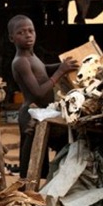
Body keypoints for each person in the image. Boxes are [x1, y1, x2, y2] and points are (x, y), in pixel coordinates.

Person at [9, 14, 79, 179]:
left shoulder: (31, 56)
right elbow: (38, 92)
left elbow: (44, 69)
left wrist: (62, 66)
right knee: (30, 162)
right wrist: (60, 72)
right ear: (11, 38)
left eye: (31, 30)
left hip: (42, 113)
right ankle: (27, 195)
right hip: (30, 115)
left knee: (40, 158)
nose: (28, 35)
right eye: (21, 32)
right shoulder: (20, 62)